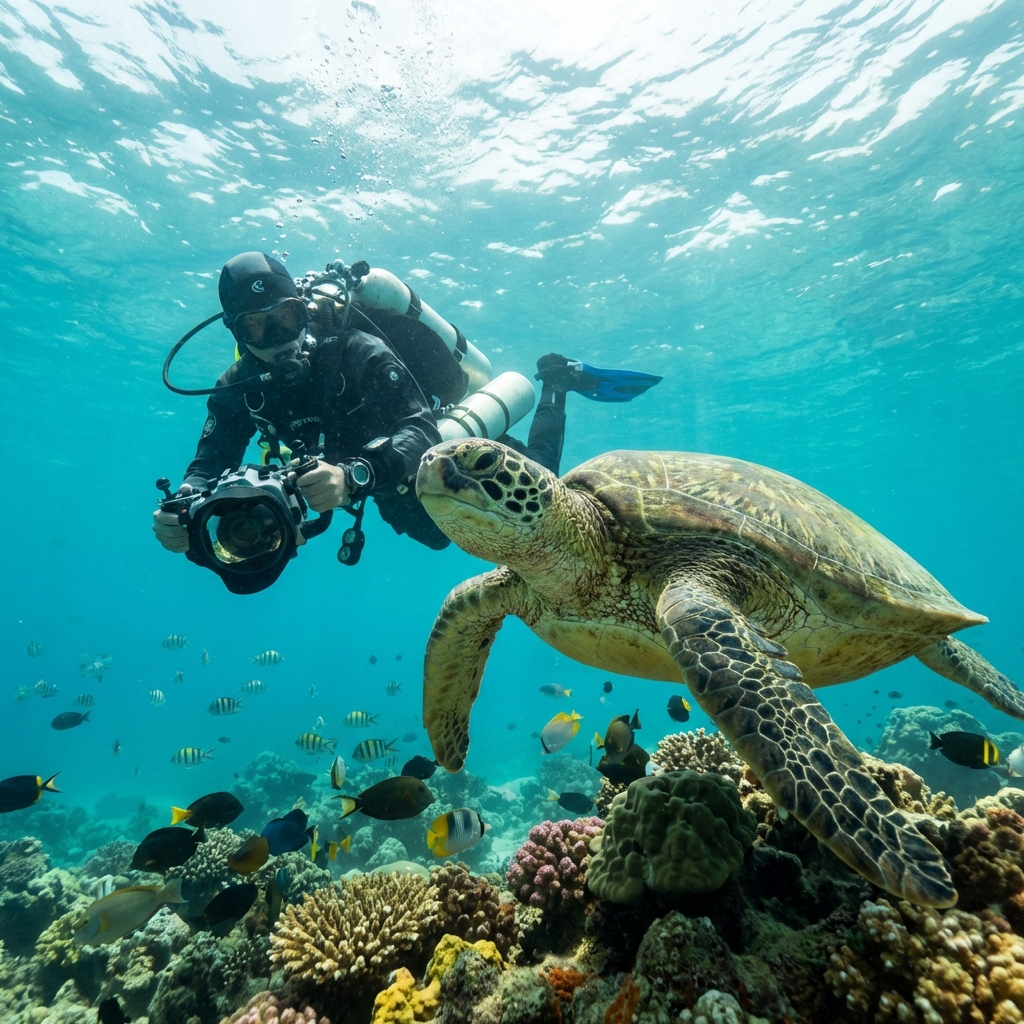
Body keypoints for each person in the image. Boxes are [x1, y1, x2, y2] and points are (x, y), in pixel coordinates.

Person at [153, 251, 658, 559]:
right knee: (440, 538)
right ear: (237, 334)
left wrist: (351, 477)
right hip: (381, 473)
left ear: (303, 310)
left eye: (285, 317)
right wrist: (183, 505)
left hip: (429, 436)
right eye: (257, 328)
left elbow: (418, 426)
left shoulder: (354, 348)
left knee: (543, 492)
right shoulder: (238, 386)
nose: (279, 339)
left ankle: (555, 381)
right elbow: (209, 462)